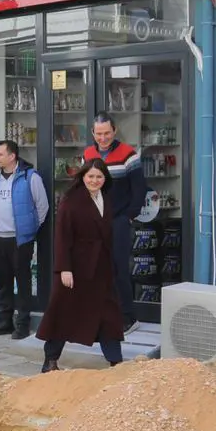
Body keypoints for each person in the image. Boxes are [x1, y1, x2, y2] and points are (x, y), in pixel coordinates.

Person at [37, 159, 127, 372]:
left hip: (101, 268)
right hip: (76, 267)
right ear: (83, 177)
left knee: (108, 314)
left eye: (99, 177)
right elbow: (62, 237)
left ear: (105, 178)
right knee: (63, 312)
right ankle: (50, 361)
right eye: (90, 176)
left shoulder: (106, 198)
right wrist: (64, 268)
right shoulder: (71, 200)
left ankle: (116, 361)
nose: (94, 180)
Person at [0, 140, 50, 342]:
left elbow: (43, 206)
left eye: (0, 154)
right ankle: (5, 321)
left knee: (22, 281)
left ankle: (23, 324)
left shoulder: (30, 177)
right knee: (3, 282)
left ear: (12, 156)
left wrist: (30, 229)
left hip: (20, 239)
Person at [83, 116, 145, 329]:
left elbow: (139, 189)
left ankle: (128, 317)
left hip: (119, 220)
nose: (103, 138)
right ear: (93, 133)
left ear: (115, 130)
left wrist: (129, 217)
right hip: (94, 221)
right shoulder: (87, 154)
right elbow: (83, 186)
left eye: (107, 133)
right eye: (99, 134)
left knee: (119, 269)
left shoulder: (128, 154)